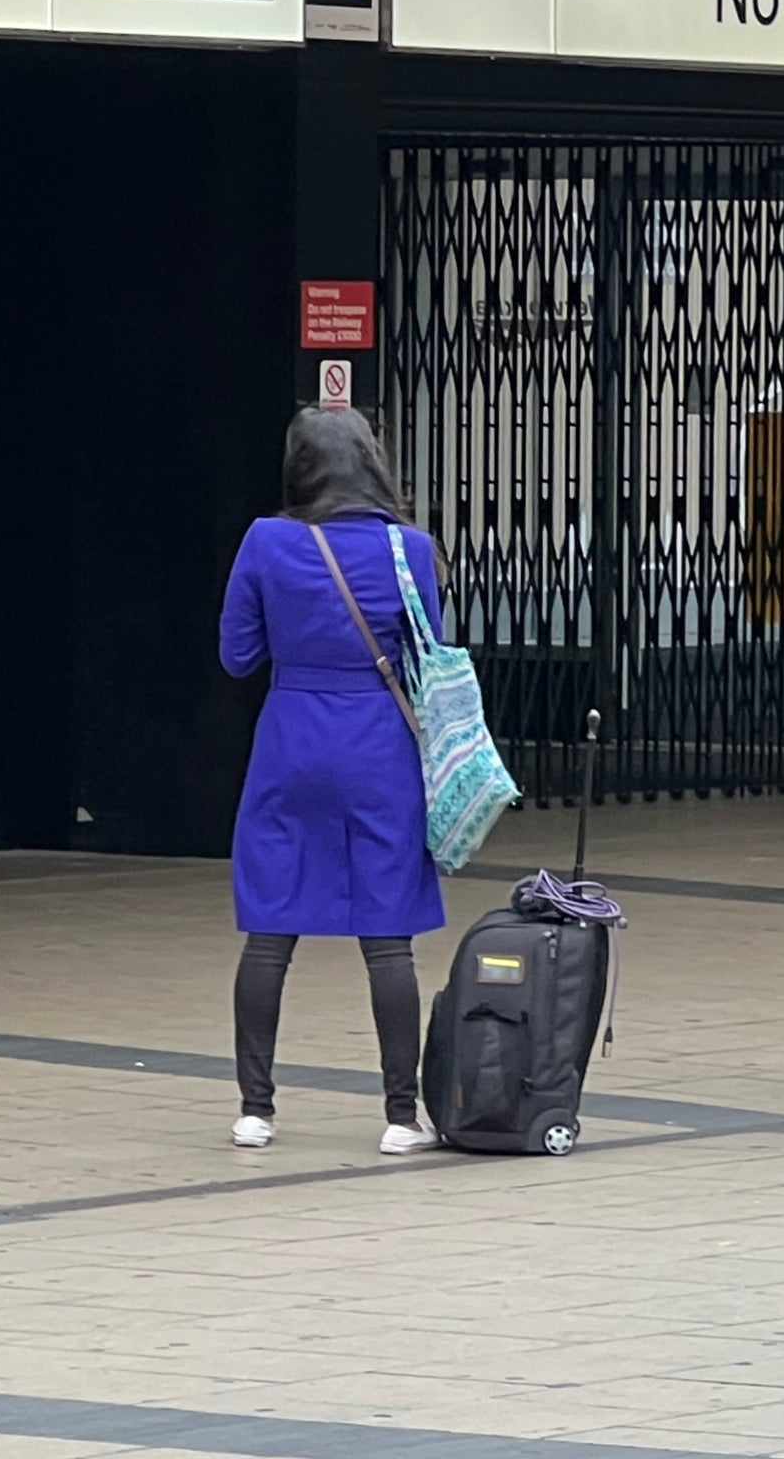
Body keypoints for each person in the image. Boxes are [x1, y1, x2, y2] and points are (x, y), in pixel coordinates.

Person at [217, 406, 447, 1157]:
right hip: (379, 745)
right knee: (387, 939)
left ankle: (256, 1110)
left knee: (270, 928)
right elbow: (431, 657)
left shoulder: (266, 540)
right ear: (372, 463)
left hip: (290, 739)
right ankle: (399, 1116)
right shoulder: (411, 550)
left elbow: (237, 656)